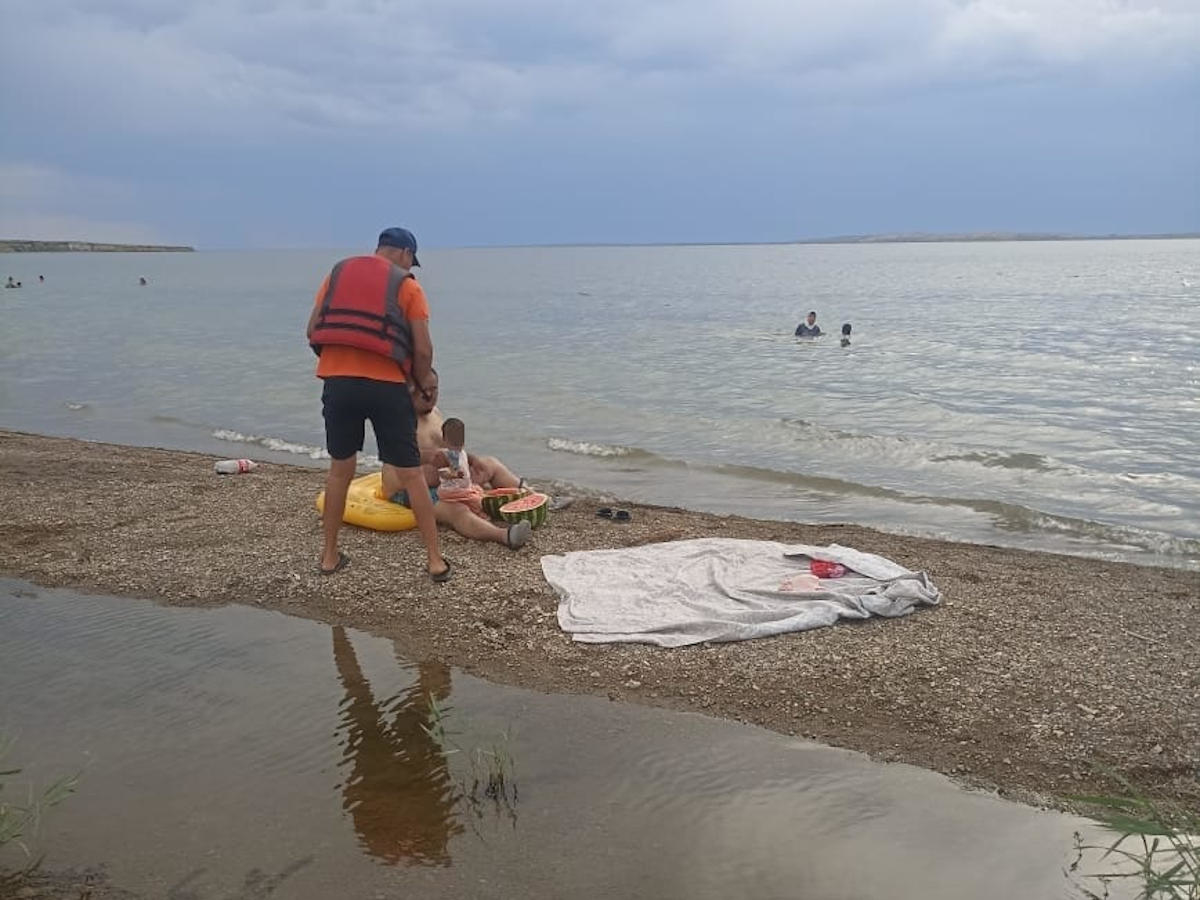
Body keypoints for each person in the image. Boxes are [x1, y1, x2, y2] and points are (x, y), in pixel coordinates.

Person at [307, 226, 450, 581]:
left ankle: (329, 558)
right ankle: (435, 561)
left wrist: (339, 364)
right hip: (387, 386)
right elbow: (422, 349)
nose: (410, 265)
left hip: (338, 384)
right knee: (411, 473)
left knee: (341, 469)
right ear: (404, 253)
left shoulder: (336, 274)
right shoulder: (408, 286)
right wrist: (423, 382)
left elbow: (312, 329)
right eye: (410, 259)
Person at [403, 377, 533, 550]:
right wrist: (429, 458)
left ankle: (535, 497)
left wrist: (472, 460)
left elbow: (451, 447)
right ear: (410, 389)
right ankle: (505, 535)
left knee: (491, 464)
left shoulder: (435, 413)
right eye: (424, 390)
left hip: (452, 481)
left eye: (434, 389)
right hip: (418, 489)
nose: (430, 395)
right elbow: (396, 457)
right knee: (457, 511)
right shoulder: (401, 421)